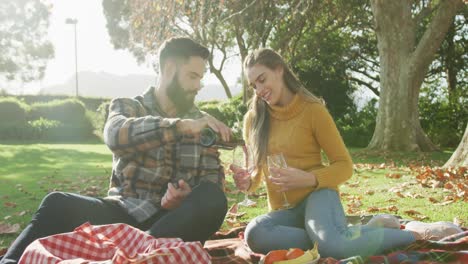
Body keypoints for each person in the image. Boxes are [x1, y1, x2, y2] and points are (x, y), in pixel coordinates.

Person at [0, 37, 229, 264]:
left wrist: (185, 199)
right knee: (56, 203)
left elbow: (212, 184)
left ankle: (133, 255)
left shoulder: (203, 125)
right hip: (122, 214)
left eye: (200, 78)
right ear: (169, 69)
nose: (198, 85)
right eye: (192, 76)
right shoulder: (127, 106)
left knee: (213, 199)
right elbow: (115, 135)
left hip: (172, 222)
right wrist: (180, 126)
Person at [230, 48, 420, 260]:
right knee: (256, 234)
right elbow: (256, 176)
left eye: (262, 79)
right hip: (286, 211)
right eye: (253, 85)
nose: (259, 89)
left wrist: (308, 179)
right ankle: (344, 235)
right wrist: (248, 182)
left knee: (335, 248)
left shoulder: (312, 110)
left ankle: (409, 235)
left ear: (279, 70)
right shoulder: (253, 120)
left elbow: (345, 166)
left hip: (319, 196)